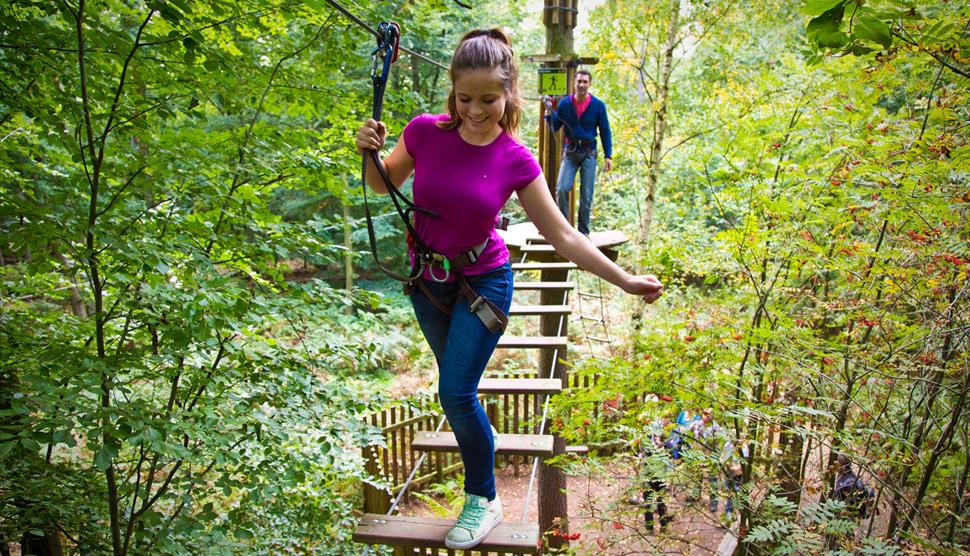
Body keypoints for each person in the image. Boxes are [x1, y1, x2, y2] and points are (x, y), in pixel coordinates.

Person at [355, 29, 664, 550]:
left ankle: (483, 498)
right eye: (464, 98)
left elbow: (563, 234)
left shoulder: (516, 159)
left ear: (509, 96)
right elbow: (380, 183)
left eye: (488, 99)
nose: (475, 110)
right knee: (461, 395)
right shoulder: (424, 132)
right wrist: (369, 152)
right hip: (427, 285)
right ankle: (484, 487)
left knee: (453, 391)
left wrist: (626, 279)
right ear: (452, 92)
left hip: (484, 284)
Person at [544, 70, 613, 236]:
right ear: (574, 83)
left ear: (589, 84)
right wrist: (549, 114)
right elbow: (556, 125)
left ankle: (583, 233)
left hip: (589, 153)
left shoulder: (598, 106)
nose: (582, 85)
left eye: (585, 82)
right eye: (579, 82)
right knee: (561, 189)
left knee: (586, 196)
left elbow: (605, 131)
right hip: (571, 152)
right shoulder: (565, 104)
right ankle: (564, 230)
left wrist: (608, 155)